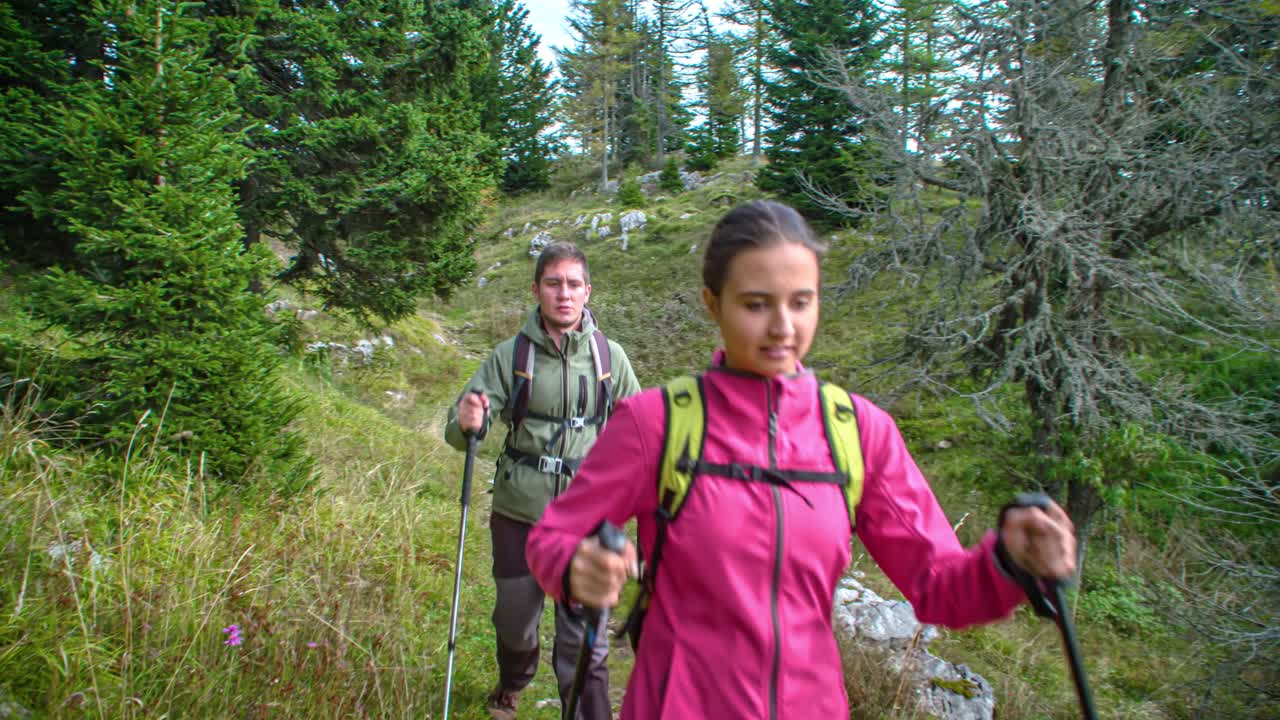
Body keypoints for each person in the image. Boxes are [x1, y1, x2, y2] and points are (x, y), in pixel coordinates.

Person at [525, 200, 1078, 719]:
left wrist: (1011, 563)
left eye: (801, 301)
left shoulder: (859, 434)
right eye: (756, 303)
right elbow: (552, 537)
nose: (783, 327)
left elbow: (939, 588)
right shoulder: (657, 424)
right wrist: (577, 568)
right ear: (712, 303)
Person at [444, 241, 641, 720]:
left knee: (583, 639)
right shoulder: (510, 355)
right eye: (554, 283)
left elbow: (642, 429)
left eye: (574, 284)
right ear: (537, 289)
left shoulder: (609, 358)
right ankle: (514, 680)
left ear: (588, 291)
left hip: (587, 520)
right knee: (515, 623)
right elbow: (461, 430)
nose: (564, 294)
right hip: (518, 513)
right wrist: (469, 419)